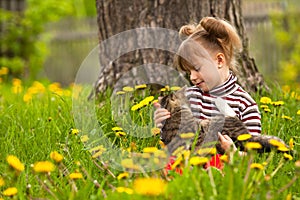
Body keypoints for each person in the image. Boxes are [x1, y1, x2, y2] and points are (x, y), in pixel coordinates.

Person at [154, 16, 261, 154]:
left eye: (197, 69)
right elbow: (175, 142)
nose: (192, 77)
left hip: (224, 169)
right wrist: (163, 126)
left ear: (219, 61)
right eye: (189, 72)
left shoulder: (244, 104)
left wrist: (234, 153)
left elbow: (253, 153)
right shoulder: (189, 97)